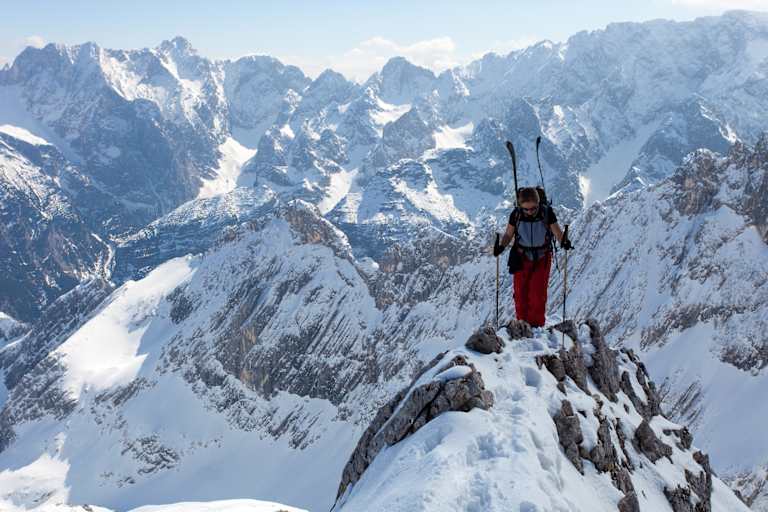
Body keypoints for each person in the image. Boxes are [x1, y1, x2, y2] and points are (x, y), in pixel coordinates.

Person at [493, 187, 572, 328]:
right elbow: (508, 234)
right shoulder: (516, 215)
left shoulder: (546, 213)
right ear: (520, 206)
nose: (529, 212)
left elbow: (557, 232)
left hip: (542, 257)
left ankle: (536, 328)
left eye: (533, 208)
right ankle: (522, 326)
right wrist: (501, 246)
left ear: (538, 203)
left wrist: (564, 242)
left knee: (537, 294)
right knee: (520, 294)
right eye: (526, 209)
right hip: (521, 257)